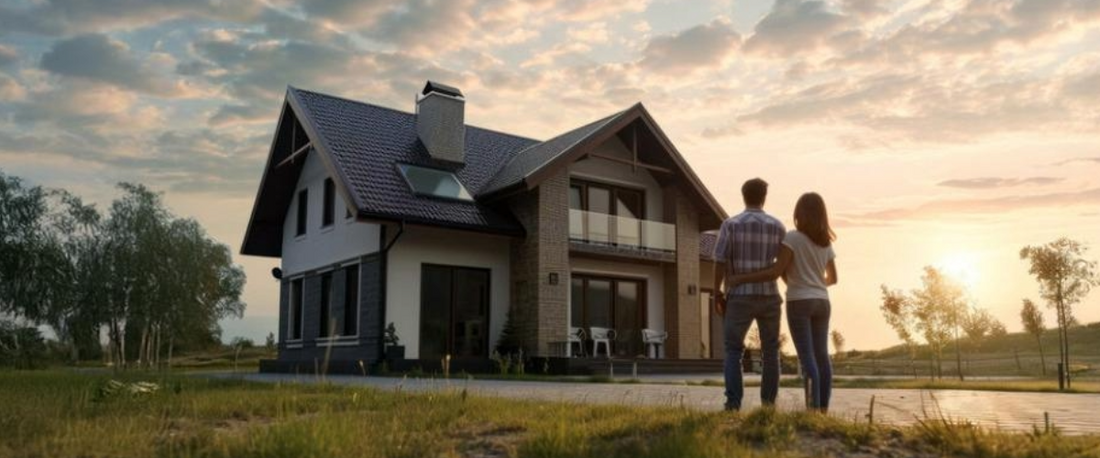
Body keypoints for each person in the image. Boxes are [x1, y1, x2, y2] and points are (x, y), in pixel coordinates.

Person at [729, 192, 838, 411]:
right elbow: (833, 278)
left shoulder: (792, 238)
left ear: (800, 213)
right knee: (822, 357)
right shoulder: (826, 242)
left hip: (799, 301)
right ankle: (823, 410)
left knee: (807, 359)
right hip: (822, 301)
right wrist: (813, 284)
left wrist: (740, 278)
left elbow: (775, 271)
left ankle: (812, 411)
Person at [713, 178, 786, 411]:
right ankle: (768, 405)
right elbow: (783, 265)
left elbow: (719, 261)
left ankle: (733, 404)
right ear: (764, 197)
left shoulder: (730, 225)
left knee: (733, 350)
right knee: (771, 351)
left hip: (739, 297)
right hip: (769, 297)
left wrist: (717, 293)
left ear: (743, 195)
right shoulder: (777, 226)